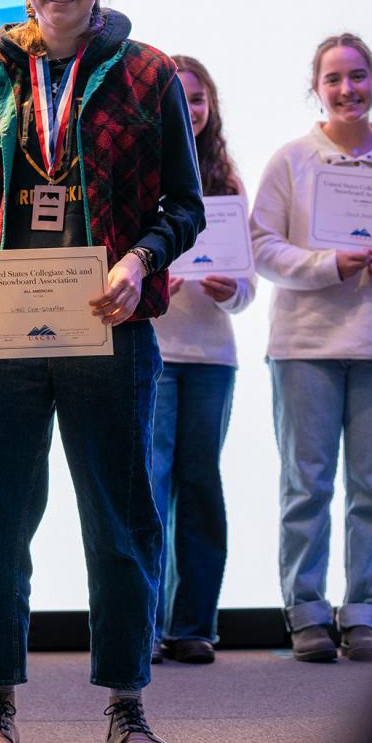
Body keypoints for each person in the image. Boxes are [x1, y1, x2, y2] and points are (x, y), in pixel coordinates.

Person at [0, 0, 203, 743]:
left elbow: (184, 208)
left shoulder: (147, 74)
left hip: (109, 326)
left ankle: (129, 706)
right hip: (2, 333)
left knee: (122, 524)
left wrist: (138, 260)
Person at [250, 32, 372, 664]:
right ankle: (306, 613)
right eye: (333, 79)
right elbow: (262, 245)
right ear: (316, 88)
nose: (346, 89)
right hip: (304, 345)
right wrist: (329, 263)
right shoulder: (292, 159)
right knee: (307, 484)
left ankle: (363, 613)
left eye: (357, 77)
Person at [150, 55, 255, 665]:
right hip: (156, 352)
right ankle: (148, 623)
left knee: (200, 485)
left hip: (213, 356)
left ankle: (194, 625)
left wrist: (229, 288)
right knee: (152, 487)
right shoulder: (143, 171)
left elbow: (246, 288)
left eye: (198, 98)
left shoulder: (226, 181)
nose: (189, 109)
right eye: (179, 97)